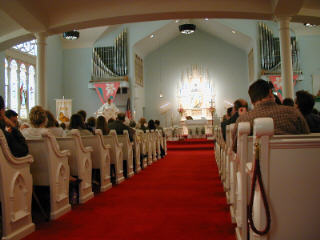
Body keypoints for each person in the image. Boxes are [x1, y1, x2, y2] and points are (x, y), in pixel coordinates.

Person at [232, 79, 310, 151]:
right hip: (295, 163)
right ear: (270, 93)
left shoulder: (243, 120)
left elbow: (236, 148)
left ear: (252, 101)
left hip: (256, 165)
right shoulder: (294, 113)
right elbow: (307, 139)